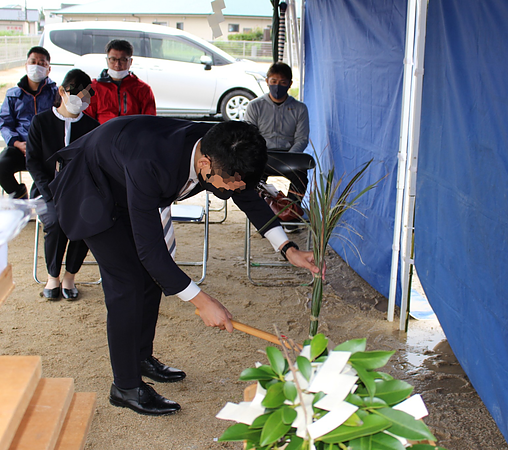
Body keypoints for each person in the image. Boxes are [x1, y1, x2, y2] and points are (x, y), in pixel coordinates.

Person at [49, 116, 321, 416]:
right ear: (205, 163)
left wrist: (288, 248)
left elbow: (245, 192)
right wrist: (203, 301)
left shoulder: (225, 146)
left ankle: (140, 357)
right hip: (89, 187)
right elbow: (151, 252)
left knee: (150, 278)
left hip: (126, 185)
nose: (232, 190)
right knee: (126, 282)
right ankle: (125, 386)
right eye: (229, 184)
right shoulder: (151, 162)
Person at [26, 69, 99, 301]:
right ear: (61, 91)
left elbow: (94, 164)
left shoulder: (91, 126)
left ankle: (70, 275)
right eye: (75, 92)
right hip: (46, 190)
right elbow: (33, 161)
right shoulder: (41, 122)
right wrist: (49, 192)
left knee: (87, 220)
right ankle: (52, 277)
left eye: (86, 94)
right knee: (56, 223)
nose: (81, 98)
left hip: (79, 192)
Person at [245, 62, 310, 209]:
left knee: (301, 176)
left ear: (290, 84)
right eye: (273, 81)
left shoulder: (300, 108)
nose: (277, 86)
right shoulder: (255, 106)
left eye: (282, 82)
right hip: (262, 156)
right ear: (267, 81)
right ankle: (262, 214)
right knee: (251, 177)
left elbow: (302, 139)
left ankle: (290, 212)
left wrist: (289, 158)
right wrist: (259, 154)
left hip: (289, 156)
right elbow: (249, 137)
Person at [0, 46, 57, 198]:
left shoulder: (56, 93)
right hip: (20, 148)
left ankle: (41, 204)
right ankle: (20, 196)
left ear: (48, 69)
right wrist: (16, 143)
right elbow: (5, 123)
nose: (36, 66)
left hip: (46, 150)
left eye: (42, 63)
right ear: (26, 65)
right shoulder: (13, 95)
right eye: (33, 62)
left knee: (47, 175)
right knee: (1, 166)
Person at [84, 39, 156, 124]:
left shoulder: (143, 89)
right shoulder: (93, 87)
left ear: (130, 61)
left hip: (132, 135)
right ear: (107, 60)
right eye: (113, 59)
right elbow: (87, 120)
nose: (117, 64)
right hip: (104, 135)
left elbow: (149, 121)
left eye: (122, 60)